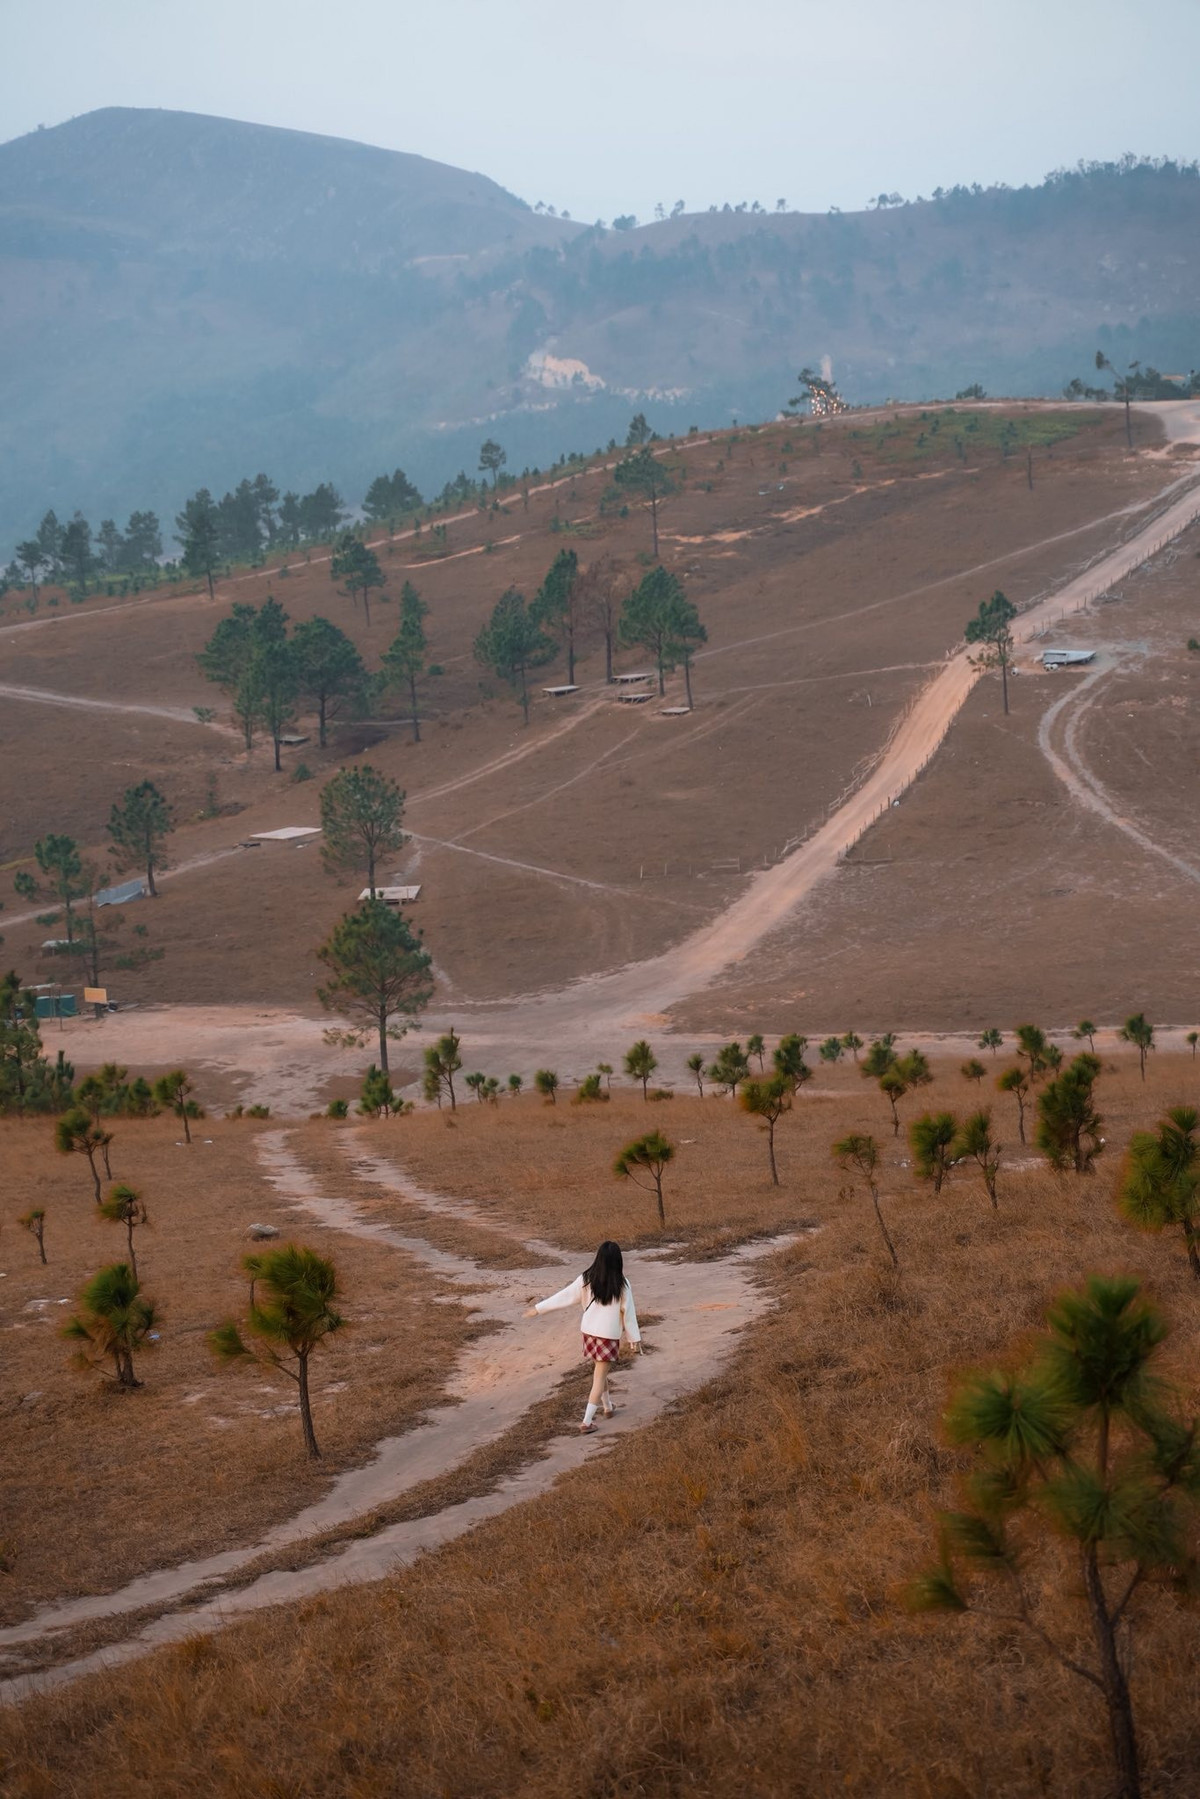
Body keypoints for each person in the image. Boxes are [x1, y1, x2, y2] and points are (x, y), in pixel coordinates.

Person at [525, 1240, 641, 1434]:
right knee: (599, 1376)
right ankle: (587, 1422)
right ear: (618, 1261)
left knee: (599, 1371)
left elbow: (564, 1296)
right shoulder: (622, 1283)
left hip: (589, 1333)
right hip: (607, 1337)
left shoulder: (586, 1278)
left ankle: (608, 1407)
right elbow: (628, 1314)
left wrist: (538, 1309)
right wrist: (634, 1339)